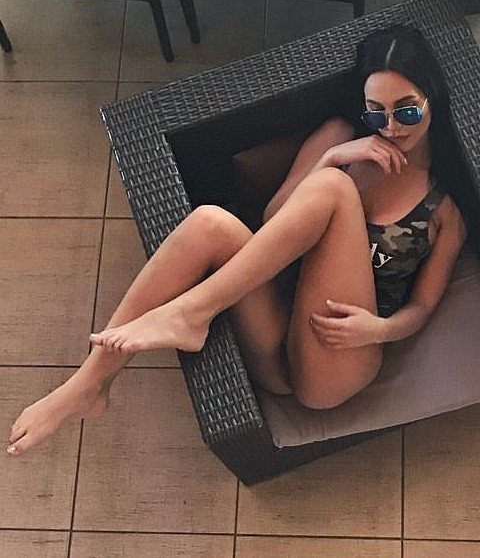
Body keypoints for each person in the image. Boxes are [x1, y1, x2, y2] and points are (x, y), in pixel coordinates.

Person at [6, 25, 470, 457]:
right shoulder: (341, 142)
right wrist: (331, 158)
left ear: (432, 99)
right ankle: (89, 383)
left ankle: (191, 312)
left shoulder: (442, 208)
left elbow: (422, 307)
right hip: (278, 335)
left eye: (407, 111)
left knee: (334, 190)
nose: (391, 127)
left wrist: (378, 330)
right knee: (210, 222)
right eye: (376, 112)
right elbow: (273, 220)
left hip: (340, 356)